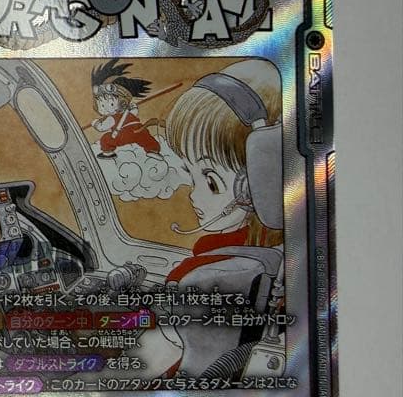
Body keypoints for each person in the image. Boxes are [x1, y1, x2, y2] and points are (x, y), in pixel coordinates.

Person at [164, 58, 283, 284]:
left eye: (211, 182)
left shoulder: (196, 275)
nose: (193, 195)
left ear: (249, 186)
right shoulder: (280, 250)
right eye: (190, 174)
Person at [90, 59, 161, 157]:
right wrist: (133, 106)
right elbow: (135, 111)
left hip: (123, 135)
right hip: (139, 130)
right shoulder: (129, 112)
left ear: (123, 101)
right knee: (146, 138)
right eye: (102, 105)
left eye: (110, 104)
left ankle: (108, 152)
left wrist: (96, 123)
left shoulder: (112, 118)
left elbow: (102, 127)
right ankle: (153, 150)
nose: (105, 108)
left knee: (105, 139)